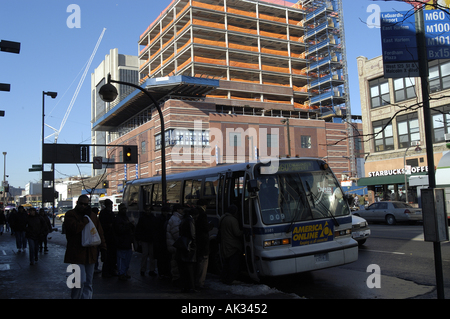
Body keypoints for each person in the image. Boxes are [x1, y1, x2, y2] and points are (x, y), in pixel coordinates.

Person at [64, 195, 106, 299]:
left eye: (85, 204)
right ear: (77, 203)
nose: (83, 206)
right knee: (80, 281)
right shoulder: (71, 214)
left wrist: (103, 248)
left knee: (88, 282)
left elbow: (99, 232)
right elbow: (74, 229)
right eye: (81, 204)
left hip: (90, 253)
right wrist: (84, 219)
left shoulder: (91, 215)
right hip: (77, 253)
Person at [219, 204, 243, 285]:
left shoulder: (223, 218)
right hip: (232, 245)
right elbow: (237, 233)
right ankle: (231, 279)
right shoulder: (233, 220)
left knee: (226, 263)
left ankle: (224, 278)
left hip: (225, 244)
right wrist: (244, 232)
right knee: (233, 264)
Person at [176, 208, 199, 293]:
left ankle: (184, 287)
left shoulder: (183, 220)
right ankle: (191, 287)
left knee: (183, 269)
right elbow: (192, 235)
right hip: (189, 247)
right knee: (190, 269)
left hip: (183, 246)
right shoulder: (190, 221)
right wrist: (195, 245)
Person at [113, 203, 135, 281]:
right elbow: (119, 230)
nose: (124, 210)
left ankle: (124, 272)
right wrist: (129, 225)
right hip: (121, 241)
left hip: (126, 241)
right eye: (123, 209)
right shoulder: (119, 219)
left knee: (126, 259)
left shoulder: (124, 218)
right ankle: (121, 273)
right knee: (121, 259)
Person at [195, 199, 213, 289]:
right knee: (203, 262)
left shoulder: (195, 213)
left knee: (198, 261)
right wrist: (210, 226)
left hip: (197, 241)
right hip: (203, 241)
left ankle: (197, 281)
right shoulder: (203, 214)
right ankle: (200, 282)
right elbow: (205, 227)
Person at [135, 206, 157, 277]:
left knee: (146, 255)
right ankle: (151, 270)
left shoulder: (142, 218)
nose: (148, 211)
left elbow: (139, 228)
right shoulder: (153, 218)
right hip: (149, 238)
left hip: (145, 238)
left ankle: (143, 269)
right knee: (150, 255)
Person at [166, 204, 184, 286]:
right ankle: (176, 278)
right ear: (178, 210)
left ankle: (176, 277)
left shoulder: (175, 218)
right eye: (181, 209)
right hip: (174, 245)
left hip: (172, 244)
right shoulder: (176, 219)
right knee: (175, 262)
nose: (182, 211)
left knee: (175, 261)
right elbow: (176, 234)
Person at [98, 199, 117, 278]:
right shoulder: (104, 213)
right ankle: (106, 271)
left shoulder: (108, 213)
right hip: (107, 236)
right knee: (107, 256)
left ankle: (111, 270)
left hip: (110, 236)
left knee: (111, 255)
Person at [154, 205, 172, 279]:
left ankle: (163, 272)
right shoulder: (166, 218)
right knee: (163, 258)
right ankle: (164, 272)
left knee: (163, 258)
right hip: (162, 240)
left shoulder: (159, 218)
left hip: (162, 240)